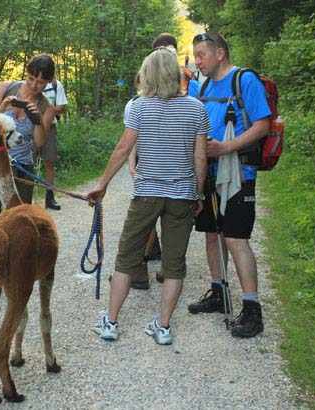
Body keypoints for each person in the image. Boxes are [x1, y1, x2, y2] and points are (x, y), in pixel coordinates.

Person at [90, 48, 209, 344]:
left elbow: (122, 149)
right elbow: (200, 160)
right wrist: (199, 193)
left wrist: (102, 184)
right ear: (175, 73)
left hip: (146, 195)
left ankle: (111, 322)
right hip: (182, 195)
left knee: (127, 257)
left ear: (148, 74)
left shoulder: (138, 108)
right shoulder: (196, 109)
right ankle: (163, 327)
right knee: (174, 262)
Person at [187, 32, 271, 338]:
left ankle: (252, 310)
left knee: (236, 239)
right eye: (195, 56)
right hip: (210, 172)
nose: (197, 61)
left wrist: (227, 146)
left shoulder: (245, 80)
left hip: (239, 173)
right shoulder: (205, 85)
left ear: (220, 53)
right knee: (212, 235)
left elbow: (263, 125)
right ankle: (218, 292)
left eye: (201, 55)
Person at [126, 33, 200, 289]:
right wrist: (132, 161)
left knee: (165, 225)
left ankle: (164, 268)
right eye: (159, 49)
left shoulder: (193, 86)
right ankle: (145, 266)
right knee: (149, 222)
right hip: (155, 169)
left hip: (175, 169)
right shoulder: (141, 94)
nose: (163, 54)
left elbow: (196, 134)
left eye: (167, 49)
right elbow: (131, 138)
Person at [0, 54, 56, 228]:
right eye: (31, 78)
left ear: (48, 82)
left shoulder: (47, 106)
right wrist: (3, 107)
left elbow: (39, 143)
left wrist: (37, 120)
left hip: (22, 168)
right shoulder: (6, 88)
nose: (34, 85)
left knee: (19, 218)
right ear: (26, 73)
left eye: (40, 82)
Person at [39, 77, 68, 210]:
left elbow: (62, 107)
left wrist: (47, 112)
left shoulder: (56, 85)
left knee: (49, 162)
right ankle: (23, 199)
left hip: (50, 128)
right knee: (26, 161)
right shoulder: (31, 84)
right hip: (31, 126)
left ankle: (49, 198)